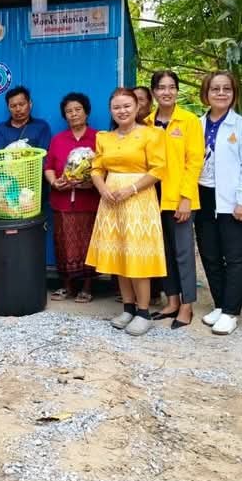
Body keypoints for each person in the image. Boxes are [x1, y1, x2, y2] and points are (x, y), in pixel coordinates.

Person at [86, 88, 167, 336]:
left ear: (137, 107)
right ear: (111, 111)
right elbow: (96, 168)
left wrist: (131, 189)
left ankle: (143, 312)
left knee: (137, 256)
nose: (122, 111)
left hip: (139, 200)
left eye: (127, 106)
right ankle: (128, 307)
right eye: (117, 107)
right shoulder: (105, 138)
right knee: (119, 254)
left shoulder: (151, 134)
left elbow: (158, 169)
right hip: (111, 200)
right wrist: (102, 189)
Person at [195, 71, 242, 336]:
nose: (221, 93)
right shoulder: (197, 124)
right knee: (210, 254)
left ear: (234, 94)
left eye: (227, 89)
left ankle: (231, 312)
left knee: (235, 257)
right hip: (203, 195)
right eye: (215, 89)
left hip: (232, 199)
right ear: (206, 93)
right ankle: (220, 304)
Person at [144, 71, 203, 329]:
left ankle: (187, 305)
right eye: (161, 87)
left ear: (177, 91)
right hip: (152, 197)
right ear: (154, 92)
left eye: (171, 87)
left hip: (179, 197)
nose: (166, 92)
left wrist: (186, 198)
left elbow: (194, 162)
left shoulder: (189, 121)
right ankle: (172, 301)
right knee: (164, 252)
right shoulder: (146, 122)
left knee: (183, 253)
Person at [44, 92, 99, 303]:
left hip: (89, 201)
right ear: (64, 115)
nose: (74, 114)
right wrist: (54, 182)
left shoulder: (98, 138)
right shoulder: (58, 139)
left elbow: (104, 169)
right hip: (62, 201)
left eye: (78, 110)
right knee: (63, 244)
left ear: (86, 112)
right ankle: (66, 286)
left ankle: (87, 287)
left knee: (88, 244)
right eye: (69, 111)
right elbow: (49, 167)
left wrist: (90, 183)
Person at [0, 86, 53, 151]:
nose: (18, 109)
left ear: (30, 104)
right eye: (13, 106)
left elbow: (43, 154)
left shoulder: (41, 126)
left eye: (21, 104)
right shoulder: (1, 128)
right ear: (8, 108)